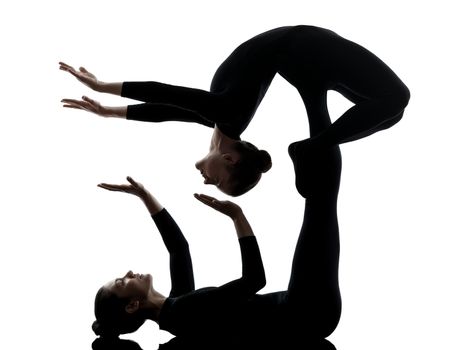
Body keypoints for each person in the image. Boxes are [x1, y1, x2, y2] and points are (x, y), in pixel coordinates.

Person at [60, 25, 410, 196]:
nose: (206, 180)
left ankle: (313, 144)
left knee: (390, 110)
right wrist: (101, 87)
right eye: (217, 181)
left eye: (211, 184)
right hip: (305, 48)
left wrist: (106, 108)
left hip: (302, 56)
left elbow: (163, 109)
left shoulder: (218, 117)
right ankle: (309, 147)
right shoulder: (231, 113)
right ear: (230, 160)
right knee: (395, 102)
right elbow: (166, 94)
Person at [92, 166, 341, 342]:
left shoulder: (174, 310)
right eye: (122, 282)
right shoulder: (183, 311)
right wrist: (237, 217)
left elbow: (179, 248)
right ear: (133, 305)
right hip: (306, 310)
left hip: (309, 313)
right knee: (321, 194)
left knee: (322, 194)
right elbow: (254, 280)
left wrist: (144, 196)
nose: (127, 274)